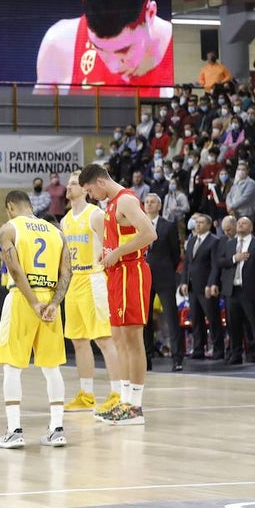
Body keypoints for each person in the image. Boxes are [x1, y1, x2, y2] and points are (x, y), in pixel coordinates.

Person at [79, 163, 157, 426]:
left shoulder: (125, 200)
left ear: (100, 182)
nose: (90, 196)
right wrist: (108, 252)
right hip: (116, 274)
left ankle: (135, 407)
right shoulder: (110, 205)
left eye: (90, 190)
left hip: (131, 272)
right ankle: (124, 402)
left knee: (132, 339)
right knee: (118, 338)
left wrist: (118, 253)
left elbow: (149, 234)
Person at [0, 190, 71, 449]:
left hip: (22, 299)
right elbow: (66, 273)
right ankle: (57, 429)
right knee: (52, 368)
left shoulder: (8, 229)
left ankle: (15, 430)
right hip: (50, 301)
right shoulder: (56, 232)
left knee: (12, 366)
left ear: (10, 207)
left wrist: (32, 301)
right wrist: (53, 304)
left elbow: (14, 269)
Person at [34, 0, 173, 97]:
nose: (113, 67)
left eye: (124, 50)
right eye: (98, 48)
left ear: (151, 14)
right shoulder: (59, 44)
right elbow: (37, 117)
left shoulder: (177, 54)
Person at [59, 172, 123, 416]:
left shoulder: (95, 215)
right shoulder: (65, 220)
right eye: (67, 184)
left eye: (73, 184)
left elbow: (111, 245)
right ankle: (86, 394)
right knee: (78, 340)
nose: (68, 187)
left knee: (104, 339)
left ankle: (117, 393)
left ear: (85, 189)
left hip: (94, 278)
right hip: (74, 280)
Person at [213, 217, 255, 366]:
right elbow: (220, 262)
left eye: (243, 223)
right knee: (233, 325)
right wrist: (234, 258)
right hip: (232, 290)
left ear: (251, 227)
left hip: (250, 290)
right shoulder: (230, 243)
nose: (240, 224)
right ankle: (236, 353)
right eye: (238, 223)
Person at [143, 193, 184, 372]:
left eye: (153, 202)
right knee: (144, 319)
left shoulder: (168, 225)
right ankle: (146, 357)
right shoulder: (137, 225)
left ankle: (177, 358)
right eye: (147, 202)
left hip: (164, 276)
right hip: (144, 276)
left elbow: (176, 254)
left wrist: (166, 268)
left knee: (171, 317)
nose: (149, 205)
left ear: (159, 206)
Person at [182, 213, 224, 362]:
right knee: (196, 319)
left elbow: (215, 266)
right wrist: (184, 282)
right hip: (193, 286)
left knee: (213, 318)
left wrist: (211, 283)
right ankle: (199, 348)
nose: (197, 225)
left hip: (206, 286)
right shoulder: (192, 241)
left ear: (208, 225)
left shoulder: (214, 241)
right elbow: (187, 264)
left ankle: (218, 349)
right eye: (196, 223)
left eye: (201, 222)